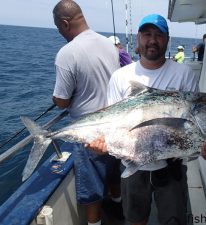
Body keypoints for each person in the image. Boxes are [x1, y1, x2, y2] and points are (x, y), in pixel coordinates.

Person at [87, 14, 206, 225]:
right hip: (131, 164)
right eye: (147, 34)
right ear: (139, 38)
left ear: (167, 39)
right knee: (135, 220)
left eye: (159, 35)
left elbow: (193, 125)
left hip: (172, 167)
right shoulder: (121, 76)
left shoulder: (183, 74)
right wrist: (101, 144)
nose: (152, 40)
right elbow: (111, 122)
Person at [52, 1, 123, 224]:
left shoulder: (67, 53)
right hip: (116, 123)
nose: (60, 32)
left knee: (91, 188)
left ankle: (94, 222)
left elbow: (62, 101)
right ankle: (119, 206)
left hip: (89, 131)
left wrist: (57, 98)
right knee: (114, 172)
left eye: (58, 28)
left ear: (65, 23)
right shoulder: (109, 45)